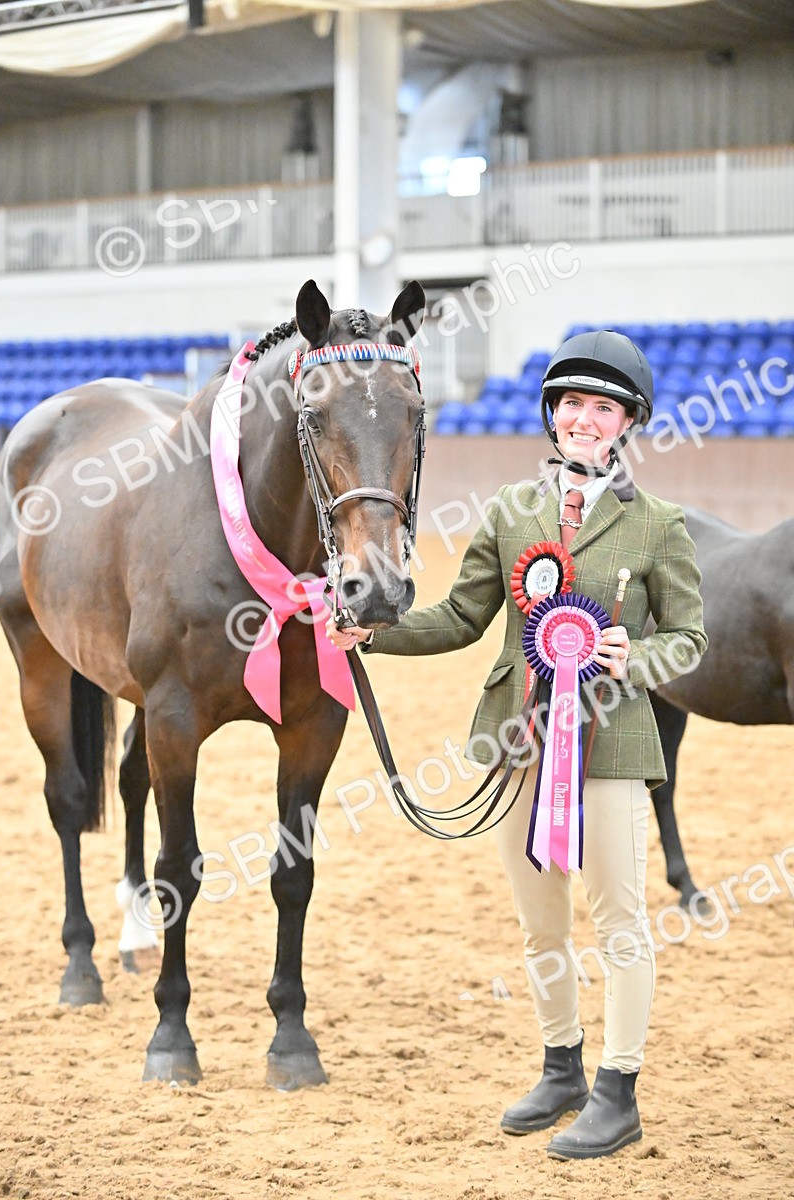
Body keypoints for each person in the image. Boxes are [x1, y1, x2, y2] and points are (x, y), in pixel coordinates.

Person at [327, 331, 707, 1161]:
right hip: (517, 746)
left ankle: (619, 1088)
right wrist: (374, 631)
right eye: (571, 404)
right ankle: (561, 1064)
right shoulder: (509, 513)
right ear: (551, 415)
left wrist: (630, 655)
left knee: (618, 922)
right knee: (541, 928)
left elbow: (688, 639)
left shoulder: (659, 527)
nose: (582, 418)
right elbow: (462, 618)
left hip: (609, 747)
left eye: (601, 408)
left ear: (627, 423)